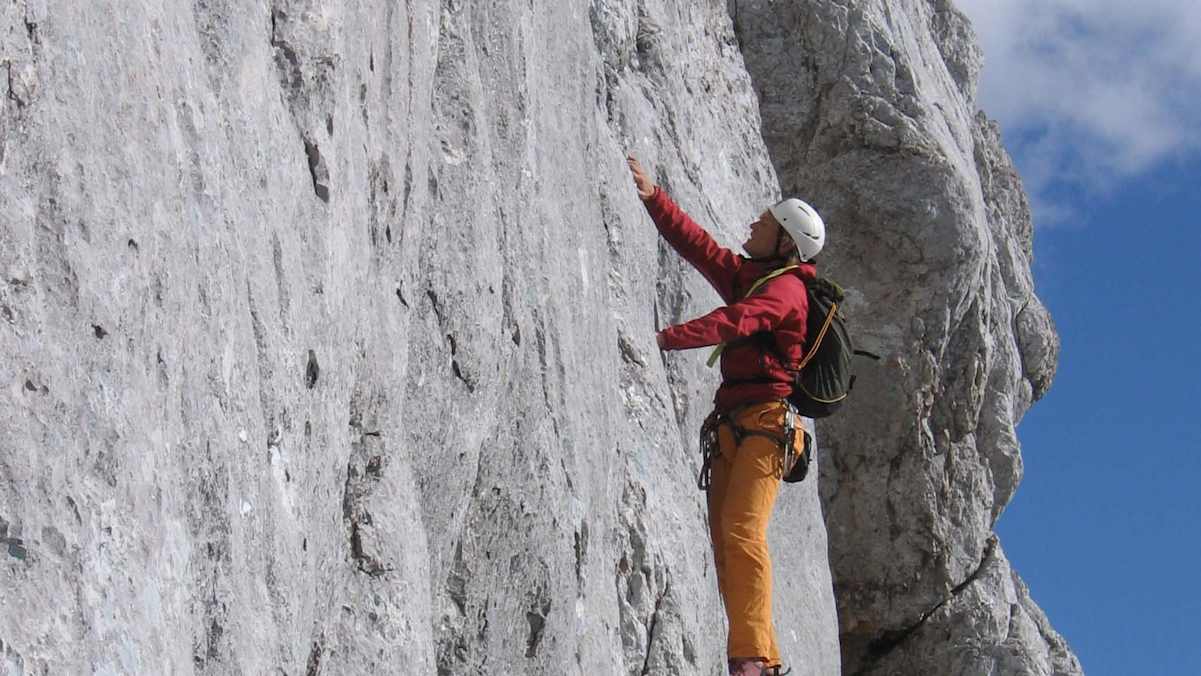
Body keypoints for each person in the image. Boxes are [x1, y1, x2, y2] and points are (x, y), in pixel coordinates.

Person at [626, 155, 825, 676]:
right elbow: (702, 249)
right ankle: (762, 660)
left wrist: (667, 339)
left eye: (767, 221)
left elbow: (738, 321)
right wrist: (654, 198)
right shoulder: (753, 276)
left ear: (785, 243)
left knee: (742, 532)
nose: (755, 223)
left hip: (766, 429)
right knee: (726, 544)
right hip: (736, 428)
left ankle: (752, 660)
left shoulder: (786, 291)